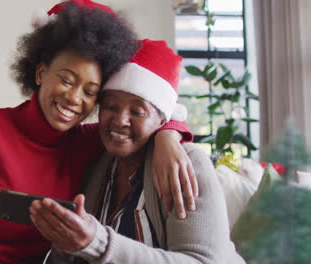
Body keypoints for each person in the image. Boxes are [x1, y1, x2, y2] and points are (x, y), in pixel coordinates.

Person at [0, 2, 195, 264]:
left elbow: (139, 123)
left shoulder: (88, 143)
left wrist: (169, 135)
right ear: (41, 73)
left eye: (90, 92)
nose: (74, 98)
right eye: (67, 80)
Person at [30, 39, 245, 263]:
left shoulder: (187, 162)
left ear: (162, 118)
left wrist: (97, 243)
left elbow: (202, 261)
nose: (120, 121)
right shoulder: (97, 161)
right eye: (111, 106)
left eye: (137, 111)